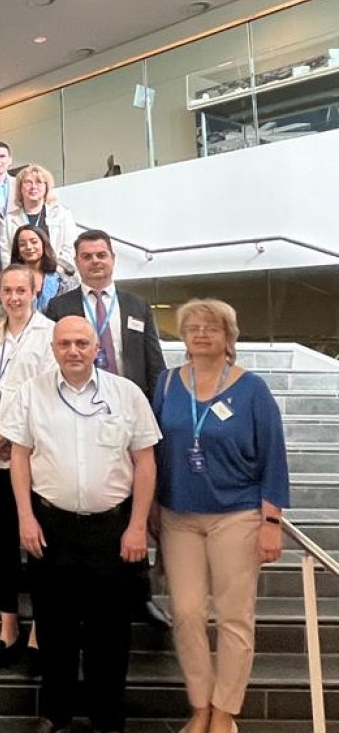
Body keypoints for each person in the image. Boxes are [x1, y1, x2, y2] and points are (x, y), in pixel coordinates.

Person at [4, 316, 161, 733]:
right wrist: (25, 517)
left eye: (81, 343)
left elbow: (145, 462)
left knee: (110, 636)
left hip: (113, 531)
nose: (73, 351)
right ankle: (55, 716)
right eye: (64, 344)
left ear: (97, 348)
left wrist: (138, 526)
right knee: (54, 631)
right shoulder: (31, 394)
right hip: (50, 529)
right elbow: (19, 457)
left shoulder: (126, 395)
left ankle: (107, 719)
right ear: (53, 348)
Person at [155, 299, 289, 733]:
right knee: (188, 613)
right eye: (191, 327)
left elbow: (274, 458)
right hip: (178, 516)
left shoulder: (252, 389)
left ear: (228, 336)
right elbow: (152, 450)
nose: (200, 334)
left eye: (210, 328)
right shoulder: (167, 383)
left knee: (234, 616)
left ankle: (224, 711)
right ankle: (199, 705)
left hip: (237, 515)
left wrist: (271, 522)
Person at [45, 228, 170, 630]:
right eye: (87, 256)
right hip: (75, 413)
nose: (95, 262)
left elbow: (154, 364)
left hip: (127, 415)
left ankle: (141, 595)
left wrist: (156, 413)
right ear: (77, 262)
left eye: (102, 255)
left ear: (113, 258)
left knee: (135, 504)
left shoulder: (136, 305)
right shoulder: (60, 304)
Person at [0, 265, 56, 668]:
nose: (14, 297)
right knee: (1, 545)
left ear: (34, 291)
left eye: (21, 290)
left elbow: (51, 394)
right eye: (7, 290)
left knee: (38, 547)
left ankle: (39, 634)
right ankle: (8, 627)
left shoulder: (49, 335)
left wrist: (12, 438)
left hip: (31, 457)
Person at [4, 164, 76, 269]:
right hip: (23, 278)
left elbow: (69, 248)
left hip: (57, 275)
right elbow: (6, 254)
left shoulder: (62, 215)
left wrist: (54, 273)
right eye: (28, 182)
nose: (33, 187)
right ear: (20, 188)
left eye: (39, 182)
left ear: (46, 187)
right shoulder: (9, 220)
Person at [10, 224, 79, 314]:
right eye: (22, 244)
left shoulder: (63, 279)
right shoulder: (10, 278)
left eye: (34, 242)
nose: (29, 247)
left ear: (44, 244)